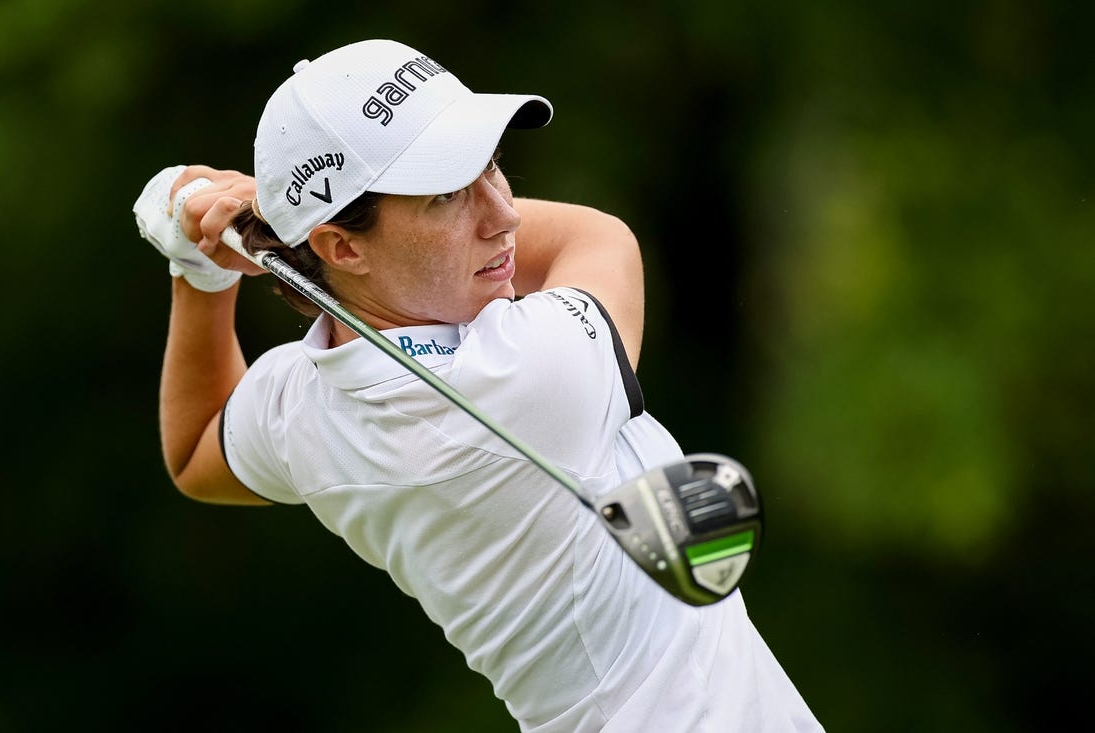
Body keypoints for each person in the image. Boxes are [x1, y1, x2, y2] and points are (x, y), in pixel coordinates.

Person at [135, 39, 823, 732]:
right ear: (342, 246)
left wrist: (200, 269)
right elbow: (599, 237)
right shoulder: (524, 381)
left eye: (491, 163)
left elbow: (196, 448)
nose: (505, 214)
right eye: (447, 192)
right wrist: (269, 212)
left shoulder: (303, 407)